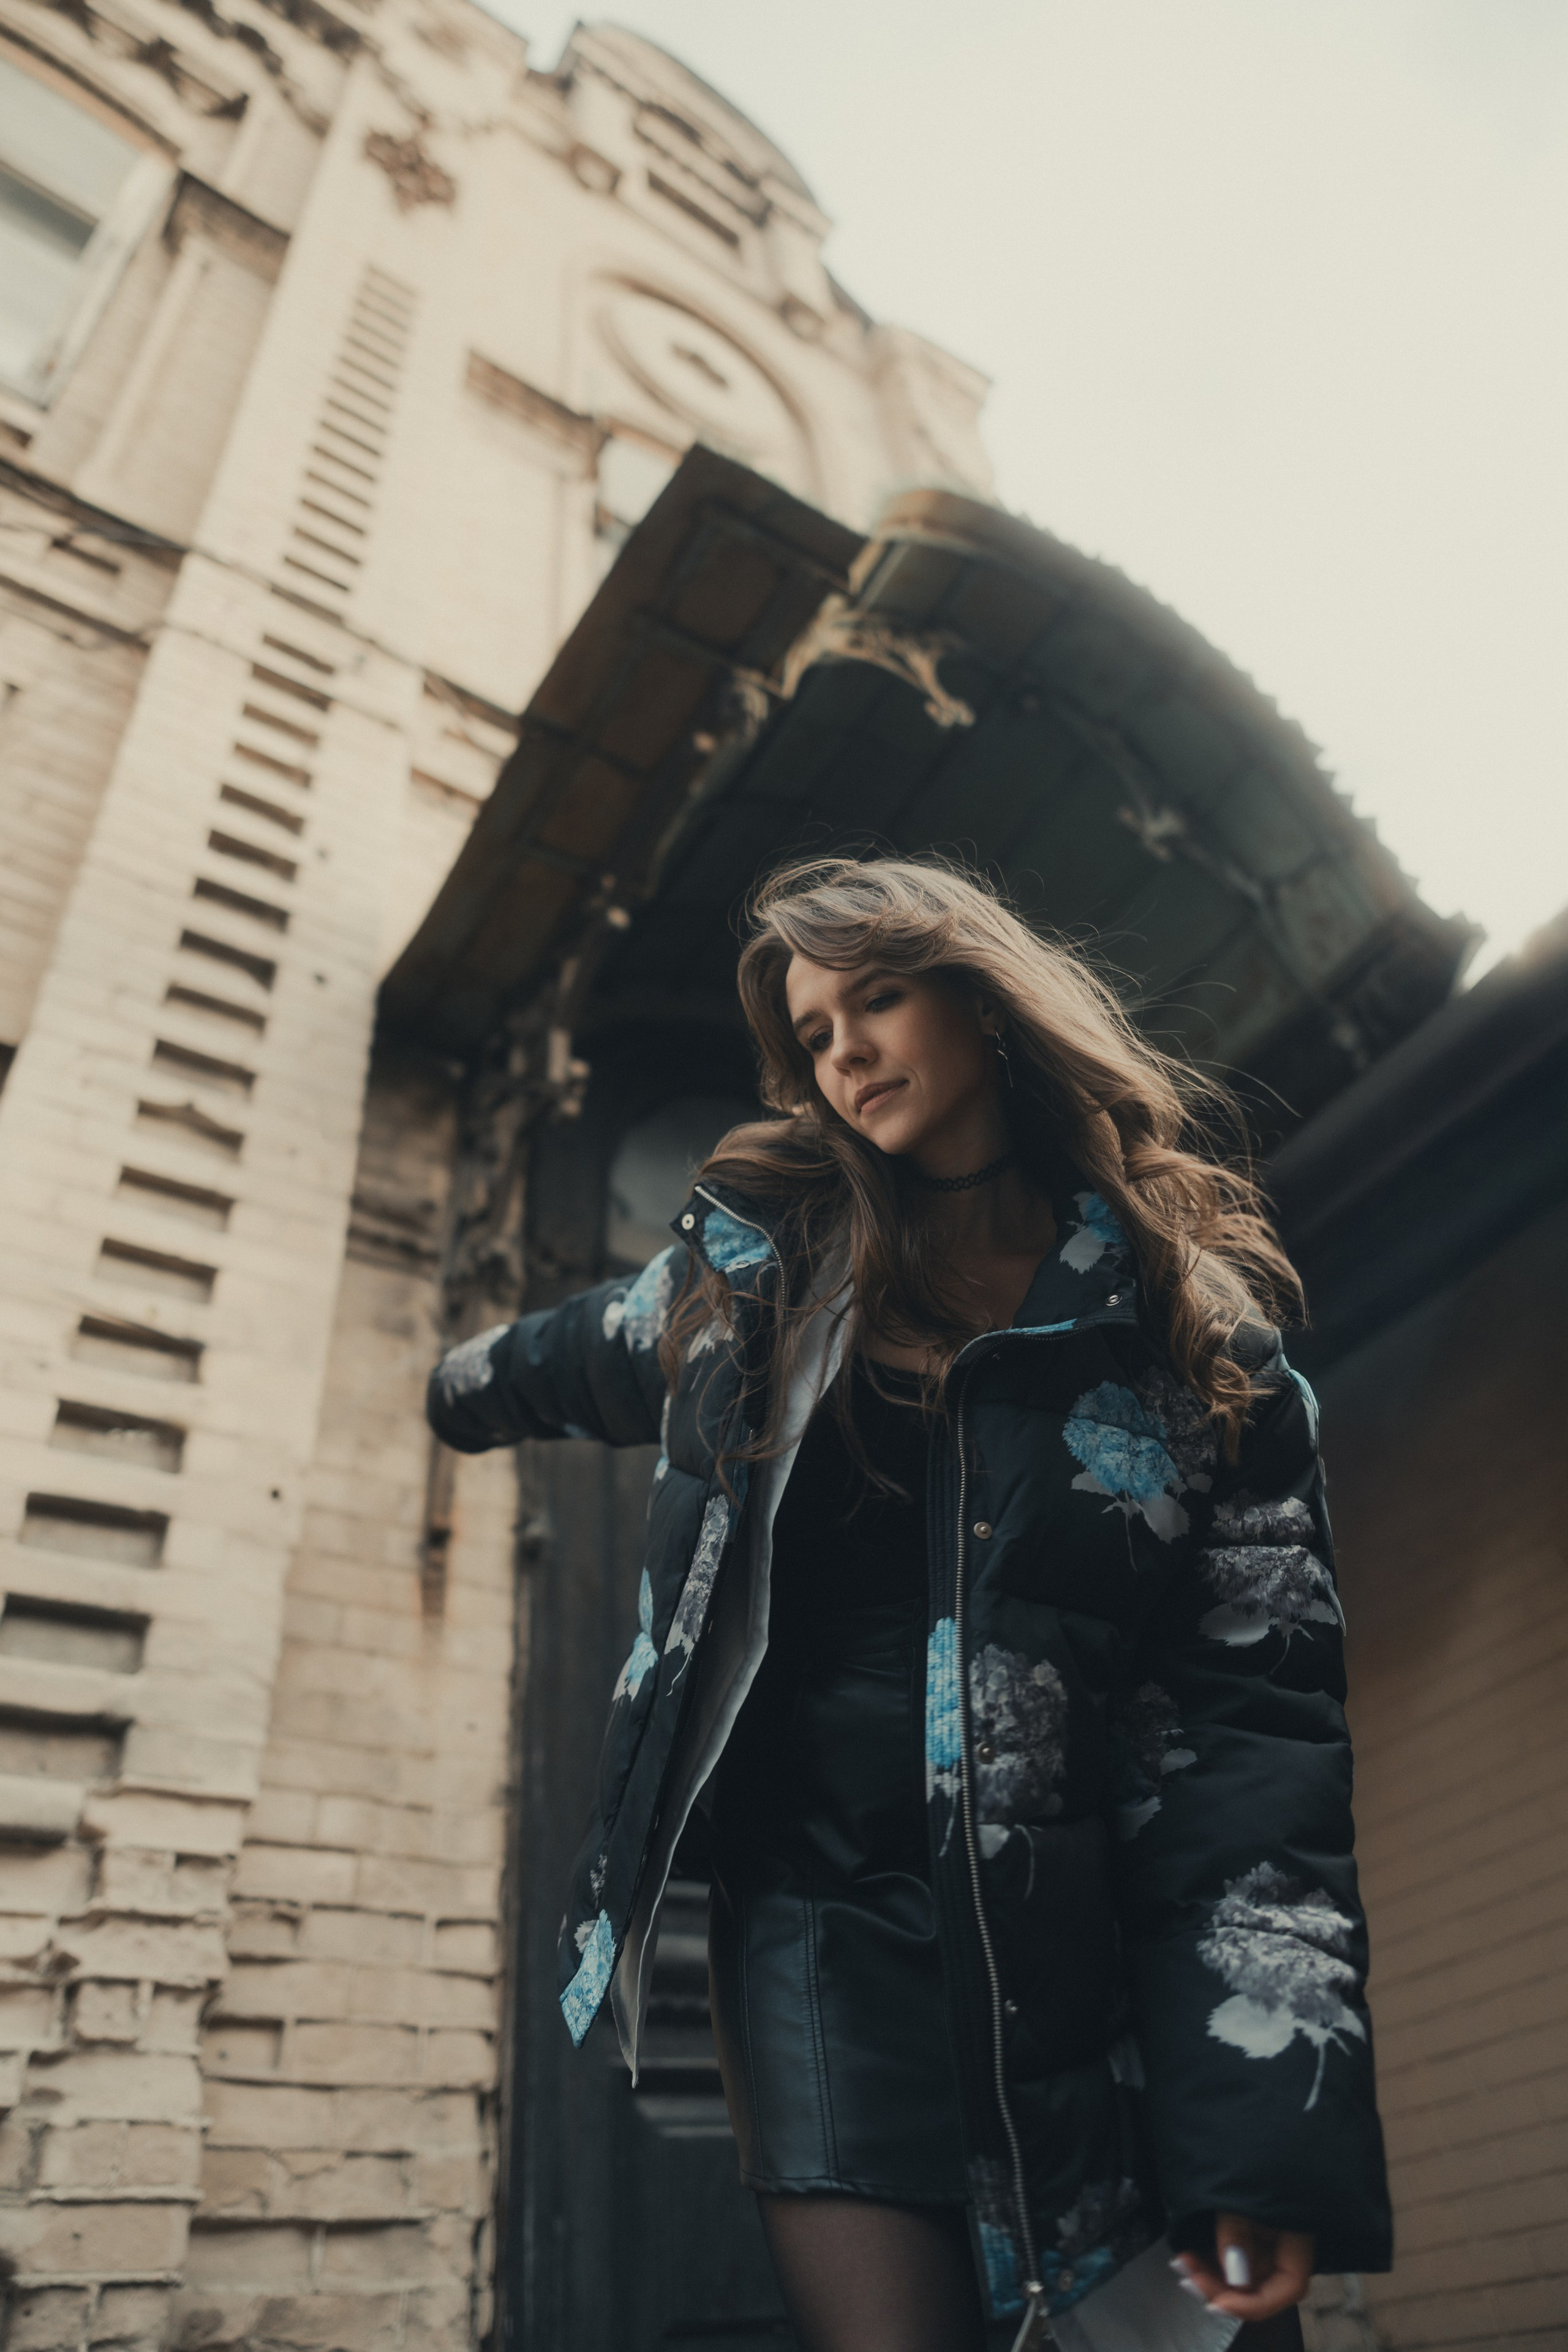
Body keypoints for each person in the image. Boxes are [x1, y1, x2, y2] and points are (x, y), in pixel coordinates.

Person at [428, 856, 1391, 2352]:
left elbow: (1255, 1753)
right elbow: (590, 1345)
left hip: (1077, 1948)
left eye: (875, 997)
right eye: (813, 1032)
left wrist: (1262, 2137)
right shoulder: (762, 1273)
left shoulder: (1203, 1360)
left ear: (986, 1003)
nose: (843, 1052)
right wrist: (448, 1387)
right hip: (813, 1924)